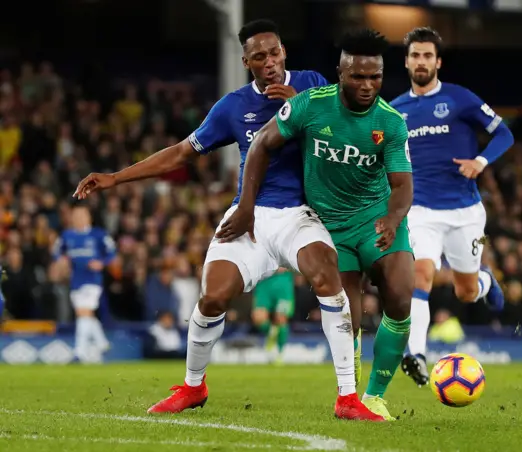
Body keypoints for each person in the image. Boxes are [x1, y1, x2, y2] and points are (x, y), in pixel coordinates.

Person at [73, 19, 381, 422]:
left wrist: (302, 106)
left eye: (274, 53)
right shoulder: (233, 106)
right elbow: (183, 152)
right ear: (246, 61)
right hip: (247, 216)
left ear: (283, 51)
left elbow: (349, 135)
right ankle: (193, 386)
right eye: (259, 57)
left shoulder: (313, 85)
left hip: (299, 215)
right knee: (213, 297)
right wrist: (115, 177)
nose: (269, 62)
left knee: (327, 276)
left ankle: (347, 398)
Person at [220, 29, 414, 421]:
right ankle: (352, 397)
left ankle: (376, 394)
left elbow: (402, 185)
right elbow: (260, 144)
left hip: (376, 221)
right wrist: (245, 204)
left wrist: (393, 219)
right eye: (357, 76)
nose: (367, 85)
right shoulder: (310, 104)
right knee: (349, 318)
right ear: (340, 73)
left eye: (374, 77)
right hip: (329, 228)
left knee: (401, 295)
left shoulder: (391, 122)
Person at [389, 27, 513, 387]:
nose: (422, 61)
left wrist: (481, 161)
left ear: (438, 61)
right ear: (407, 61)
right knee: (421, 275)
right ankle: (416, 355)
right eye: (415, 55)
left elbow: (504, 133)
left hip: (465, 213)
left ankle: (485, 283)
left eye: (428, 55)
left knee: (466, 291)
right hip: (421, 212)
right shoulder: (395, 111)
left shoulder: (460, 100)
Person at [52, 205, 115, 362]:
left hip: (92, 280)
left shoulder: (98, 234)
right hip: (75, 280)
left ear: (89, 218)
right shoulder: (67, 235)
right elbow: (56, 250)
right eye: (76, 216)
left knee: (82, 312)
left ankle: (79, 352)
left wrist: (102, 262)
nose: (79, 219)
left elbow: (112, 251)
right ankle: (102, 343)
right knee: (86, 314)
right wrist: (61, 260)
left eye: (82, 215)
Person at [252, 268, 295, 364]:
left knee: (281, 318)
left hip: (282, 280)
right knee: (258, 318)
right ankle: (271, 331)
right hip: (264, 281)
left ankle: (279, 353)